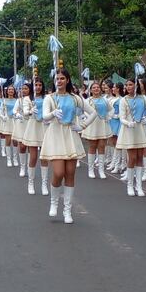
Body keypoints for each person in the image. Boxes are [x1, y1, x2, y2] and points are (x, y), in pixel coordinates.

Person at [40, 69, 97, 223]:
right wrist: (53, 114)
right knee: (58, 173)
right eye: (57, 78)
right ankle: (54, 202)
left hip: (71, 135)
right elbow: (44, 116)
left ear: (67, 80)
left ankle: (67, 210)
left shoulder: (75, 98)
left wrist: (82, 125)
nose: (59, 81)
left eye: (62, 78)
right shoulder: (49, 98)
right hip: (56, 135)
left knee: (70, 173)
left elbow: (93, 112)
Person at [116, 78, 146, 197]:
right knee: (132, 157)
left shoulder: (143, 98)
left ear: (136, 86)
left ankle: (139, 186)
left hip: (141, 129)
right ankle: (130, 185)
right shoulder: (124, 100)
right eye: (127, 85)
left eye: (130, 85)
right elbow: (122, 117)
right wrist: (128, 123)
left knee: (140, 157)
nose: (128, 87)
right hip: (130, 130)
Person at [20, 79, 49, 196]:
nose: (38, 87)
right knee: (33, 157)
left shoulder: (47, 98)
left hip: (44, 127)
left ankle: (44, 184)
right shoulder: (28, 99)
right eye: (36, 85)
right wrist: (30, 110)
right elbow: (25, 112)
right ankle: (30, 183)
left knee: (44, 157)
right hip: (32, 128)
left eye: (40, 85)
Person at [83, 82, 113, 179]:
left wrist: (109, 116)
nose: (96, 89)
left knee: (101, 146)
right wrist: (90, 117)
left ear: (100, 89)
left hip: (102, 125)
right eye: (94, 88)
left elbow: (111, 109)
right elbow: (84, 111)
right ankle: (91, 169)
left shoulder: (105, 100)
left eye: (97, 87)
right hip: (92, 125)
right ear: (91, 90)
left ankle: (101, 170)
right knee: (92, 146)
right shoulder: (88, 100)